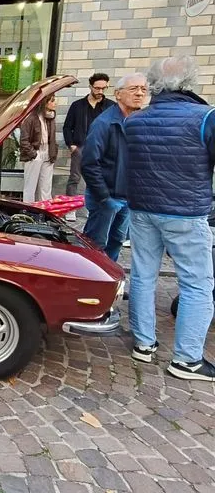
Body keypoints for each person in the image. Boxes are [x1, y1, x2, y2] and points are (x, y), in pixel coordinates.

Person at [124, 55, 215, 381]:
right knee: (197, 284)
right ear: (190, 82)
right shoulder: (206, 117)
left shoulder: (133, 121)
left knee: (143, 274)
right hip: (186, 212)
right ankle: (188, 359)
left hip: (143, 208)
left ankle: (143, 343)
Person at [80, 73, 146, 262]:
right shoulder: (104, 123)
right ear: (118, 94)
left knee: (116, 242)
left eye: (143, 89)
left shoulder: (137, 122)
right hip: (106, 198)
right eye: (134, 89)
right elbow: (89, 163)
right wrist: (104, 197)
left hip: (126, 198)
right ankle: (91, 288)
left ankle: (110, 286)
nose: (140, 94)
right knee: (96, 245)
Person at [62, 73, 116, 220]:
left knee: (99, 179)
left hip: (102, 149)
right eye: (97, 88)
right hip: (80, 146)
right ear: (90, 86)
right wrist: (71, 144)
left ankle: (93, 209)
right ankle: (71, 209)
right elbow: (67, 127)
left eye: (104, 88)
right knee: (74, 178)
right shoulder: (77, 105)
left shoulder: (111, 106)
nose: (100, 92)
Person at [20, 95, 57, 203]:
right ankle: (27, 210)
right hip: (35, 152)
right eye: (52, 101)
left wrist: (53, 153)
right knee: (30, 186)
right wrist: (34, 155)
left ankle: (45, 211)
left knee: (46, 187)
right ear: (44, 103)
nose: (55, 103)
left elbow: (52, 138)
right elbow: (24, 140)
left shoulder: (51, 117)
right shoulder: (30, 118)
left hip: (48, 153)